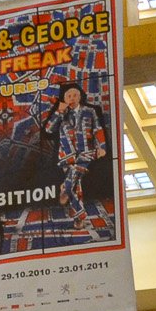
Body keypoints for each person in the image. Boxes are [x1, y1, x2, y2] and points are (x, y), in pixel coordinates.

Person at [45, 82, 110, 235]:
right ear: (65, 99)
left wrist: (102, 146)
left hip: (86, 152)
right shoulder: (60, 112)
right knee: (77, 185)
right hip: (66, 153)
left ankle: (65, 188)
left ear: (80, 97)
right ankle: (78, 216)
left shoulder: (90, 111)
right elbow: (48, 129)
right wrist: (59, 112)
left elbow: (97, 129)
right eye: (68, 96)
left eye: (74, 95)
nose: (72, 98)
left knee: (72, 181)